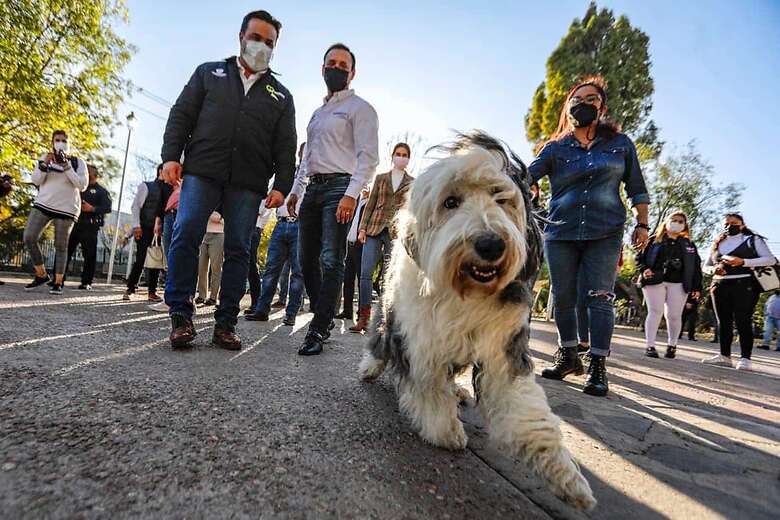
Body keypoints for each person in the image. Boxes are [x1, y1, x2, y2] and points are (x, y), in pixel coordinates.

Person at [161, 10, 296, 350]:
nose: (261, 46)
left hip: (248, 184)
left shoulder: (281, 95)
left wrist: (282, 184)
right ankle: (181, 315)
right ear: (241, 37)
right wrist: (171, 156)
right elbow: (182, 114)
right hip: (201, 172)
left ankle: (226, 323)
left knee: (239, 249)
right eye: (256, 37)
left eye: (269, 42)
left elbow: (286, 145)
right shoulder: (210, 73)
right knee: (186, 232)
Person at [529, 77, 650, 397]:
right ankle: (568, 355)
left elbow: (636, 186)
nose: (584, 104)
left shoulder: (621, 144)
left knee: (599, 297)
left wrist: (643, 224)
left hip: (604, 231)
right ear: (568, 108)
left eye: (591, 99)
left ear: (602, 107)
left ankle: (597, 365)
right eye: (577, 99)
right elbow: (527, 175)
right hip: (561, 231)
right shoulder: (555, 148)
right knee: (565, 297)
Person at [287, 43, 379, 356]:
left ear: (352, 73)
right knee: (305, 259)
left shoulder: (360, 109)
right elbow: (307, 157)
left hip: (340, 188)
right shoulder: (317, 113)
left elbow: (368, 158)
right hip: (312, 188)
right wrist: (295, 191)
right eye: (331, 63)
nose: (336, 68)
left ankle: (318, 328)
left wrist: (351, 195)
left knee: (331, 258)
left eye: (343, 65)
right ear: (322, 68)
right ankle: (323, 315)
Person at [351, 142, 414, 333]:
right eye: (398, 154)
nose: (401, 157)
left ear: (408, 159)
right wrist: (362, 228)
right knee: (365, 272)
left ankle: (386, 319)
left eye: (404, 155)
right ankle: (363, 317)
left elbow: (410, 210)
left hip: (396, 233)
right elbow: (370, 205)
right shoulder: (381, 178)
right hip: (373, 228)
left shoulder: (412, 182)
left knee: (392, 276)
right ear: (392, 156)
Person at [702, 214, 775, 370]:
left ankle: (745, 358)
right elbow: (705, 265)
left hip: (744, 284)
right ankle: (724, 356)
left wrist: (743, 262)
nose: (729, 226)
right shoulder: (718, 242)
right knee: (723, 321)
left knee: (743, 319)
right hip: (719, 285)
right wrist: (713, 269)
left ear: (742, 225)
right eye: (726, 223)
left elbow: (770, 259)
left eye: (734, 223)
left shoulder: (752, 240)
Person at [23, 130, 88, 295]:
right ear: (52, 142)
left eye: (64, 140)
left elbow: (81, 185)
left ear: (69, 143)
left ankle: (58, 282)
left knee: (61, 245)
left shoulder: (78, 162)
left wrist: (66, 166)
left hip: (67, 208)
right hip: (43, 203)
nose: (61, 143)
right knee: (29, 237)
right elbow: (36, 180)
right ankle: (41, 274)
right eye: (57, 140)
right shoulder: (46, 157)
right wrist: (44, 164)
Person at [636, 211, 702, 359]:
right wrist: (644, 269)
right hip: (655, 280)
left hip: (678, 282)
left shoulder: (688, 244)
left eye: (681, 221)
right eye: (674, 220)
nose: (677, 223)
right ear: (666, 221)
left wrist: (697, 287)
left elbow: (696, 267)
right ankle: (650, 345)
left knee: (674, 315)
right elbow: (639, 257)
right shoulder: (654, 240)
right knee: (655, 311)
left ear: (685, 226)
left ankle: (672, 345)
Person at [246, 190, 304, 326]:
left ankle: (291, 314)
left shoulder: (307, 177)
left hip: (300, 224)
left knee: (297, 272)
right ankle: (261, 310)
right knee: (271, 269)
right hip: (280, 224)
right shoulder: (284, 181)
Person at [64, 164, 112, 290]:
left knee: (89, 255)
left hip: (90, 225)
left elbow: (107, 208)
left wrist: (92, 208)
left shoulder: (102, 191)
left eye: (88, 171)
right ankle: (59, 278)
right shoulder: (78, 188)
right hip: (74, 223)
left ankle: (86, 282)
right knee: (66, 251)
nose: (85, 173)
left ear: (94, 174)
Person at [125, 165, 167, 302]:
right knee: (141, 259)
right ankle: (131, 288)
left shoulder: (169, 189)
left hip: (161, 231)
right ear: (161, 171)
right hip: (144, 228)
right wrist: (135, 227)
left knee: (156, 261)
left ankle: (152, 292)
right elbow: (136, 206)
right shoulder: (146, 186)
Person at [337, 186, 370, 321]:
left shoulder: (369, 205)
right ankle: (347, 310)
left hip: (361, 245)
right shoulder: (356, 202)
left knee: (361, 278)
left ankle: (361, 314)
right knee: (348, 279)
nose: (365, 189)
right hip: (349, 245)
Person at [246, 207, 274, 314]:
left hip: (255, 228)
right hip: (244, 226)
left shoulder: (264, 193)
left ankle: (256, 302)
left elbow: (258, 210)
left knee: (251, 264)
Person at [196, 211, 224, 306]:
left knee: (216, 267)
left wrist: (217, 218)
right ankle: (201, 295)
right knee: (201, 267)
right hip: (203, 232)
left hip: (219, 234)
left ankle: (213, 297)